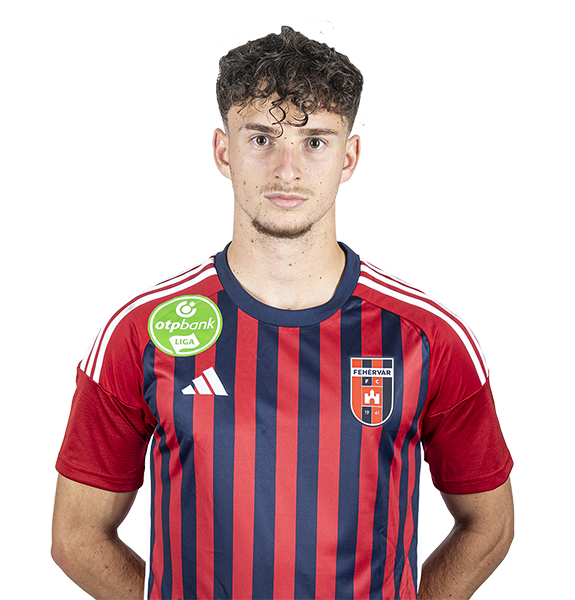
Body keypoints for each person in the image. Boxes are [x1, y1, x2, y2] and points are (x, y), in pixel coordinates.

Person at [51, 27, 514, 600]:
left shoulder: (430, 337)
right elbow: (76, 536)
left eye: (314, 141)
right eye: (262, 138)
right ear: (224, 151)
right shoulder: (141, 333)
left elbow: (489, 526)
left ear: (349, 156)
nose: (287, 169)